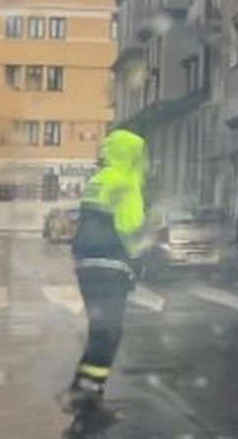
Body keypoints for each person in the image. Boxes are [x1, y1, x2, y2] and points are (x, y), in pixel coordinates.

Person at [65, 128, 149, 415]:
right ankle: (85, 395)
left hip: (87, 266)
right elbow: (130, 229)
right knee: (109, 334)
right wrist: (140, 259)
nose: (144, 161)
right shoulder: (126, 182)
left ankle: (84, 392)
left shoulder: (98, 180)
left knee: (100, 332)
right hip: (112, 267)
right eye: (141, 155)